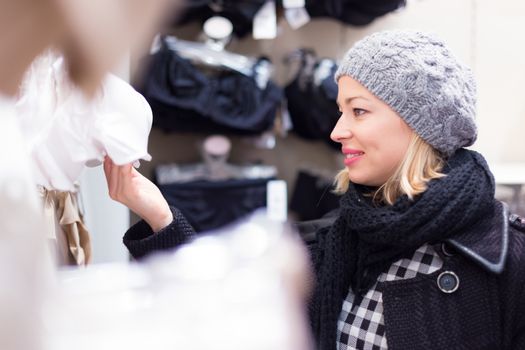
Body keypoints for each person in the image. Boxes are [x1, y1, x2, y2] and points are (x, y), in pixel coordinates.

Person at [104, 30, 525, 349]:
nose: (338, 130)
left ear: (419, 124)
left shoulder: (505, 260)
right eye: (341, 111)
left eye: (358, 111)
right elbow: (228, 318)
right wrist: (159, 216)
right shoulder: (336, 242)